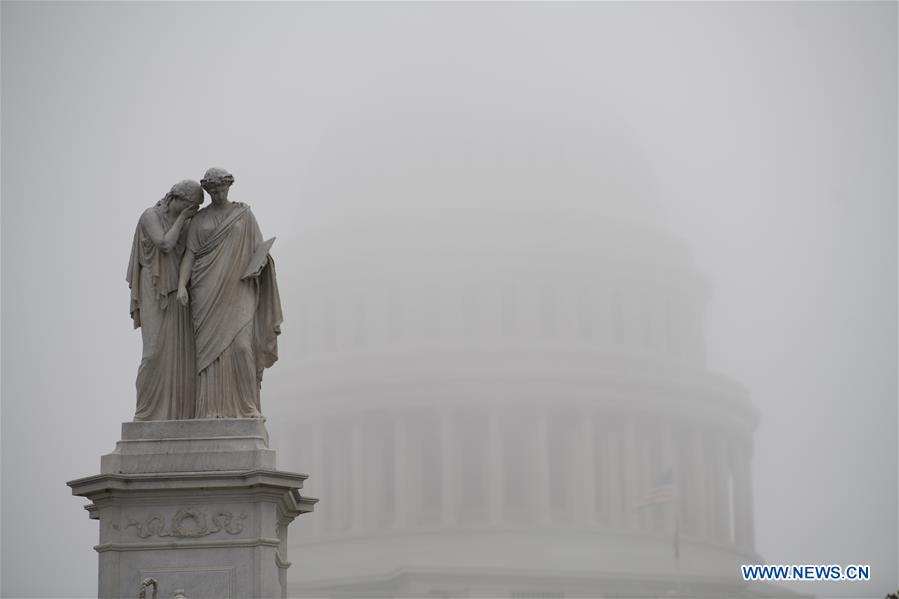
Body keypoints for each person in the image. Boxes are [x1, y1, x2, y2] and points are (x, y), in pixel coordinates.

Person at [177, 167, 282, 418]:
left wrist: (260, 264)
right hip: (206, 291)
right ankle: (210, 409)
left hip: (240, 287)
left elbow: (259, 250)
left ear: (229, 187)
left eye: (222, 188)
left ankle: (247, 407)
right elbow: (190, 255)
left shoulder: (244, 216)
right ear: (208, 191)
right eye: (213, 190)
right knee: (208, 356)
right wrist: (182, 285)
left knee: (242, 348)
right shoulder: (200, 220)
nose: (219, 193)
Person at [127, 179, 203, 420]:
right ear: (176, 198)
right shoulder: (150, 216)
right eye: (191, 206)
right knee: (152, 353)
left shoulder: (189, 222)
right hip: (153, 286)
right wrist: (183, 218)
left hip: (176, 292)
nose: (193, 212)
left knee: (178, 356)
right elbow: (165, 244)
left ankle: (174, 415)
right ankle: (145, 413)